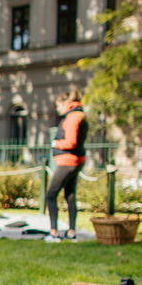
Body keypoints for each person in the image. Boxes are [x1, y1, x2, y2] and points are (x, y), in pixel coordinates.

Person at [45, 88, 88, 243]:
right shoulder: (81, 116)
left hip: (67, 162)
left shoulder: (71, 118)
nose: (57, 109)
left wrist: (56, 143)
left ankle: (53, 233)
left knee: (50, 195)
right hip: (77, 161)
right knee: (70, 195)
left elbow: (71, 142)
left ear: (65, 103)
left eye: (58, 105)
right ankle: (71, 232)